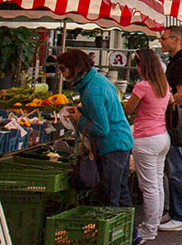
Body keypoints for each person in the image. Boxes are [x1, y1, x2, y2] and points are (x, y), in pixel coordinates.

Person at [56, 50, 133, 208]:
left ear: (75, 67)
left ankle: (118, 231)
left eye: (63, 68)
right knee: (121, 192)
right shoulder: (97, 80)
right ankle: (130, 232)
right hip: (121, 141)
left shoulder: (92, 91)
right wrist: (82, 111)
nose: (60, 72)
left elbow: (101, 127)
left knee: (110, 196)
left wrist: (80, 119)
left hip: (112, 145)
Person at [127, 47, 174, 245]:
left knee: (148, 187)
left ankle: (148, 229)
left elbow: (128, 109)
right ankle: (153, 224)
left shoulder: (142, 86)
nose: (136, 68)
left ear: (143, 65)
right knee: (156, 183)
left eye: (137, 64)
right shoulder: (164, 85)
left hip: (145, 138)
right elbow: (171, 103)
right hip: (162, 137)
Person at [155, 29, 182, 231]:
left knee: (177, 166)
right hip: (175, 118)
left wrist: (163, 102)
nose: (161, 42)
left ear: (176, 39)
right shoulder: (177, 60)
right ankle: (176, 212)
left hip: (178, 120)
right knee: (173, 166)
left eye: (164, 38)